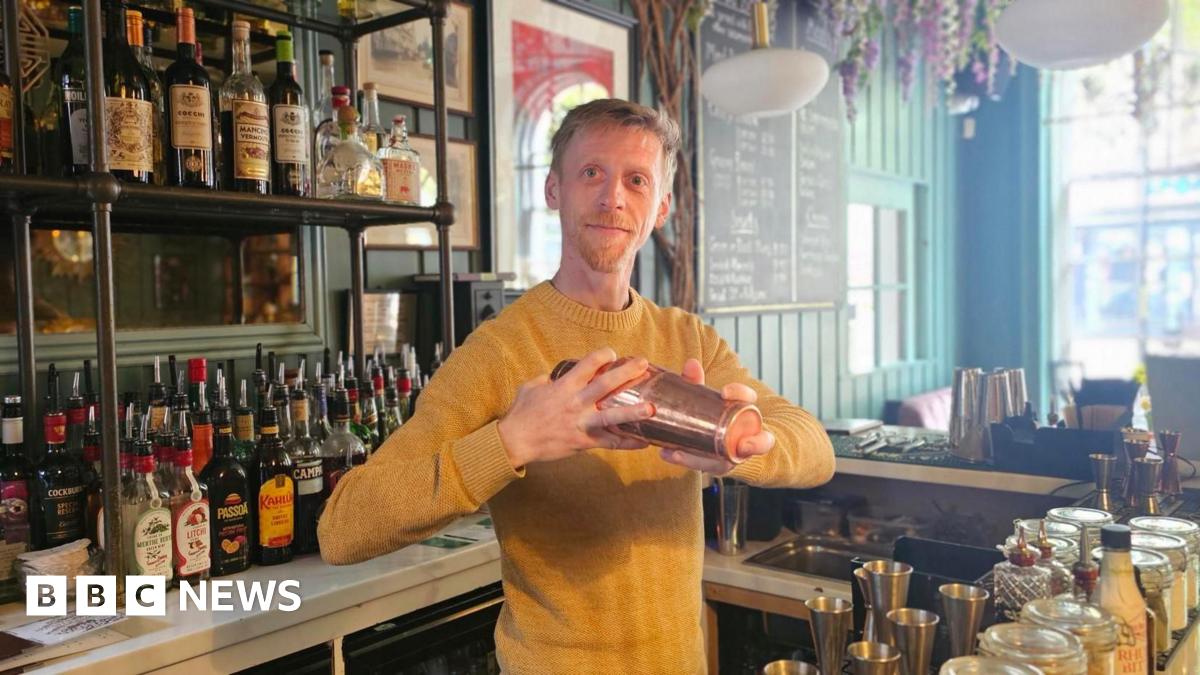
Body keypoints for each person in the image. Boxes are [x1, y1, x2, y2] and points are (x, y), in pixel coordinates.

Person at [318, 98, 835, 673]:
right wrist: (512, 442)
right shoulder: (500, 350)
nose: (613, 197)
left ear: (660, 207)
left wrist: (742, 447)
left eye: (636, 180)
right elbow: (344, 528)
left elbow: (815, 449)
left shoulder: (689, 341)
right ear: (553, 191)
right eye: (592, 172)